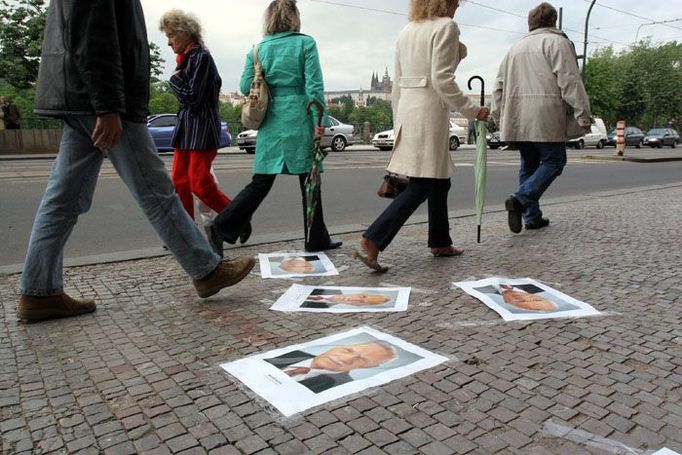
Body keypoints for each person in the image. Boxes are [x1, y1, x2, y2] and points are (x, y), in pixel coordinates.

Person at [17, 0, 256, 323]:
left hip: (79, 96)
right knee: (156, 190)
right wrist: (108, 105)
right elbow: (94, 34)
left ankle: (38, 290)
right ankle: (205, 269)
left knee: (63, 197)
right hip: (103, 102)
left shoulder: (198, 58)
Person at [355, 0, 489, 272]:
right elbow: (442, 79)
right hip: (429, 112)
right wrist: (473, 110)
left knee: (439, 181)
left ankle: (440, 242)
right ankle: (374, 238)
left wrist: (398, 120)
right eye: (456, 2)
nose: (458, 7)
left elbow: (398, 85)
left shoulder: (407, 30)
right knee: (422, 183)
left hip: (408, 109)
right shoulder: (446, 27)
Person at [206, 0, 341, 256]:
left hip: (270, 122)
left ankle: (222, 226)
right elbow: (314, 88)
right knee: (309, 180)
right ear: (294, 17)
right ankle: (315, 238)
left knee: (261, 182)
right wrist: (319, 123)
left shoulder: (257, 49)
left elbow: (246, 86)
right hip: (298, 118)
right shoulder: (305, 43)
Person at [492, 2, 592, 233]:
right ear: (553, 21)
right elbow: (569, 81)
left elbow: (498, 87)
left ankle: (532, 217)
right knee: (554, 161)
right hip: (546, 114)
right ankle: (520, 199)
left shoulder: (514, 49)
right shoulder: (558, 42)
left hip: (517, 116)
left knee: (528, 164)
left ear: (531, 23)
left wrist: (499, 117)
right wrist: (583, 115)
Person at [159, 10, 243, 235]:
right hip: (188, 129)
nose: (168, 42)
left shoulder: (201, 58)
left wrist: (174, 80)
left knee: (199, 183)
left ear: (185, 33)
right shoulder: (188, 59)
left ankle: (236, 219)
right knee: (179, 182)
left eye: (171, 36)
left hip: (202, 129)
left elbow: (194, 99)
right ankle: (187, 234)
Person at [265, 342, 396, 393]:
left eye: (362, 359)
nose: (345, 358)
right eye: (348, 350)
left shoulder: (341, 387)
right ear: (337, 346)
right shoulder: (291, 354)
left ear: (368, 367)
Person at [301, 290, 391, 309]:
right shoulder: (330, 289)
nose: (356, 300)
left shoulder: (326, 307)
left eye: (362, 303)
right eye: (362, 297)